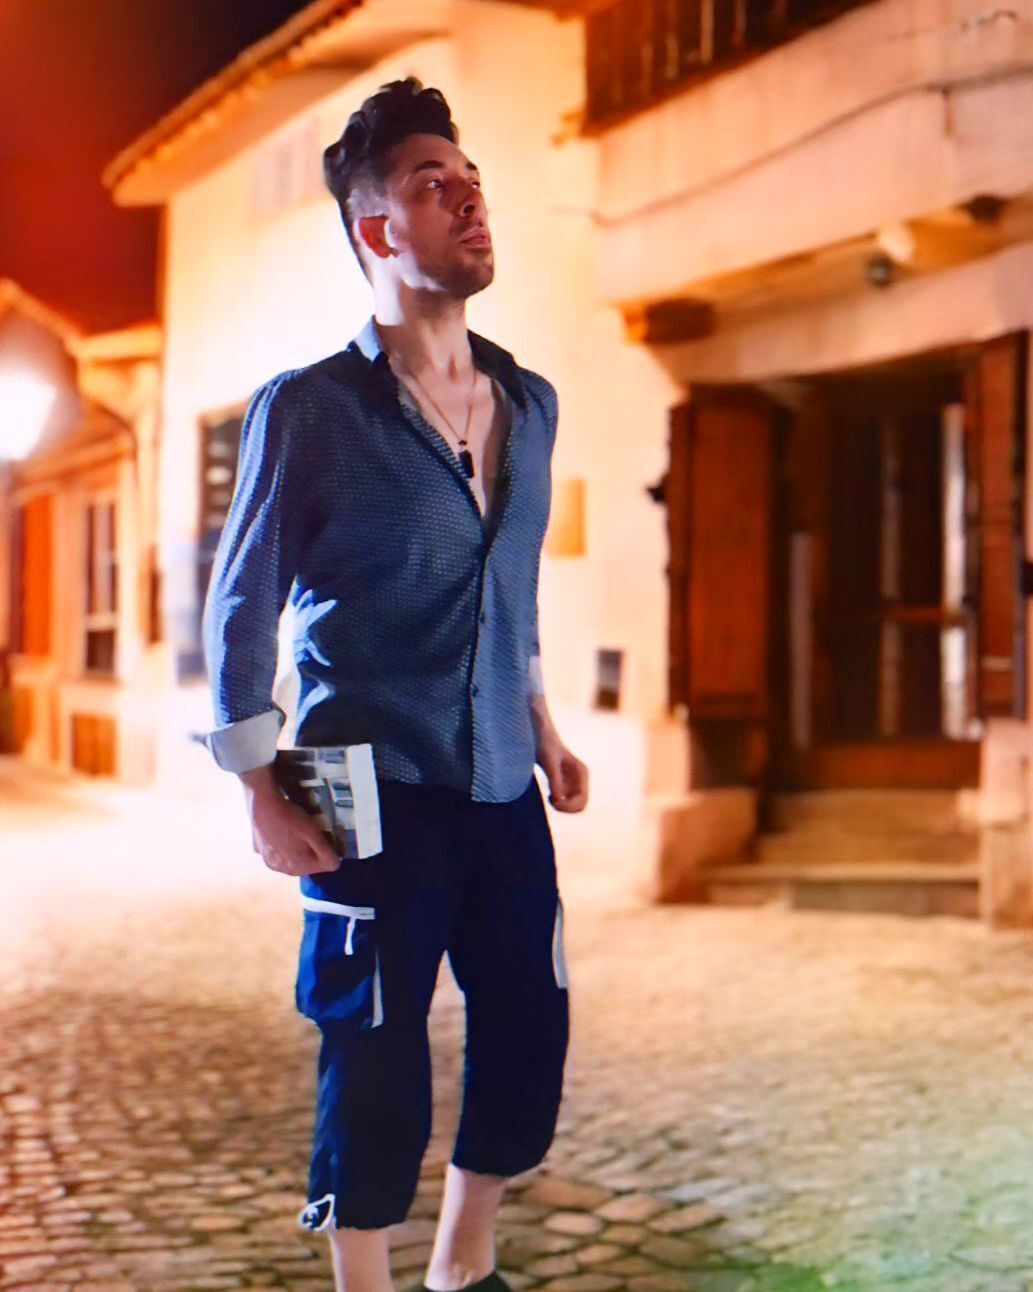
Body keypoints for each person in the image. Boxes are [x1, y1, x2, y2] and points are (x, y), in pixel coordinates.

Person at [201, 76, 589, 1292]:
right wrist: (258, 785)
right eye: (434, 186)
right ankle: (363, 1279)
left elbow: (512, 586)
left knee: (530, 1017)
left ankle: (462, 1265)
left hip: (497, 771)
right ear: (377, 227)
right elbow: (241, 602)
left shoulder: (530, 403)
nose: (470, 202)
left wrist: (542, 721)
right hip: (352, 772)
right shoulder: (309, 409)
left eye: (472, 183)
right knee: (371, 1041)